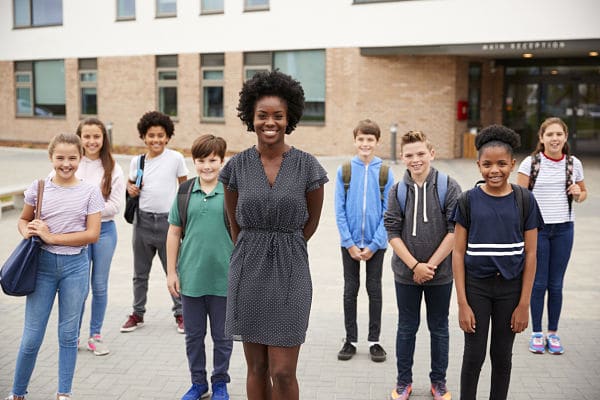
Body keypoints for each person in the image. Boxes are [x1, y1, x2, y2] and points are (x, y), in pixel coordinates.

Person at [218, 70, 328, 400]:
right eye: (262, 115)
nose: (270, 122)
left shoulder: (308, 166)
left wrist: (283, 245)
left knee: (282, 371)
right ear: (250, 118)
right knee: (256, 369)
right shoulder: (235, 167)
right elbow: (234, 223)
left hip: (291, 272)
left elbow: (310, 224)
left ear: (289, 117)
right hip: (247, 273)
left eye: (278, 116)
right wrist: (255, 246)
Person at [5, 133, 104, 400]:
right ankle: (17, 392)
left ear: (80, 158)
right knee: (32, 336)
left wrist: (52, 237)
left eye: (72, 158)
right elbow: (24, 219)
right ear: (51, 158)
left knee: (69, 335)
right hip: (42, 268)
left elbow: (92, 234)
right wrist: (27, 231)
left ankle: (64, 393)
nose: (66, 163)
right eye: (60, 158)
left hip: (76, 267)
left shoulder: (90, 191)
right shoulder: (38, 188)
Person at [452, 125, 543, 400]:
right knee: (474, 356)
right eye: (488, 164)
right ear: (478, 164)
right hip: (476, 288)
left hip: (511, 291)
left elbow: (531, 254)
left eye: (502, 164)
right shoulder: (467, 201)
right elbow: (457, 253)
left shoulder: (524, 200)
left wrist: (524, 304)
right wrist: (462, 304)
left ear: (512, 164)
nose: (495, 170)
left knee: (502, 357)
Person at [384, 131, 461, 400]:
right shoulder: (397, 190)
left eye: (420, 154)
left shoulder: (448, 186)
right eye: (409, 155)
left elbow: (455, 231)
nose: (415, 159)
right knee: (406, 327)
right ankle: (403, 381)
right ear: (402, 158)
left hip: (441, 274)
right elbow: (392, 231)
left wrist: (430, 265)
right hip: (406, 274)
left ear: (431, 153)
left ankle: (438, 382)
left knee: (439, 328)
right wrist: (415, 265)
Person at [166, 134, 233, 400]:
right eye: (201, 160)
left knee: (223, 338)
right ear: (194, 162)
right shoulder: (185, 192)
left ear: (222, 160)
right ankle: (198, 383)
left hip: (224, 280)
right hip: (191, 280)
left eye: (213, 160)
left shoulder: (231, 192)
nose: (207, 166)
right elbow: (173, 233)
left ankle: (220, 383)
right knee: (193, 337)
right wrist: (172, 272)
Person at [516, 117, 587, 355]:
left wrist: (579, 193)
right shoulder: (530, 163)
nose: (554, 139)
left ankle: (553, 333)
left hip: (565, 229)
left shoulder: (573, 163)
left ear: (565, 137)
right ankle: (537, 333)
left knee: (556, 285)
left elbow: (583, 193)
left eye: (559, 134)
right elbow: (520, 198)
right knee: (538, 283)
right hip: (538, 231)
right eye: (550, 135)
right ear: (541, 138)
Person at [120, 111, 189, 334]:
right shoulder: (137, 161)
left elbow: (184, 188)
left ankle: (181, 313)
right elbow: (131, 187)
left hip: (169, 223)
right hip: (143, 221)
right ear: (143, 137)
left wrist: (183, 219)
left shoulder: (176, 158)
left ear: (168, 137)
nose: (156, 140)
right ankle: (137, 313)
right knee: (140, 273)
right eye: (151, 135)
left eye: (161, 135)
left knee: (174, 271)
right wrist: (130, 189)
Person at [334, 119, 393, 362]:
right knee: (351, 290)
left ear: (377, 142)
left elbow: (389, 212)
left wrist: (375, 244)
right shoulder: (345, 170)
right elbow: (338, 209)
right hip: (349, 243)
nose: (365, 144)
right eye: (361, 139)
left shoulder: (385, 172)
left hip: (375, 243)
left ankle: (374, 341)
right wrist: (348, 242)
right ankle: (350, 339)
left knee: (374, 289)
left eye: (370, 140)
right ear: (355, 140)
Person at [75, 118, 125, 356]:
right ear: (80, 137)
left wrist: (85, 209)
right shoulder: (72, 162)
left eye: (96, 136)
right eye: (87, 136)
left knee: (99, 285)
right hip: (78, 233)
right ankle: (73, 335)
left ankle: (95, 335)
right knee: (79, 287)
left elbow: (115, 206)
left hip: (105, 232)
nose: (92, 141)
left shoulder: (113, 167)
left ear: (104, 139)